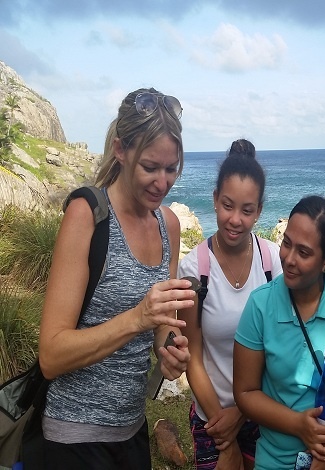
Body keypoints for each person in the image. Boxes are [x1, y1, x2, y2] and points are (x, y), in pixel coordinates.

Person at [38, 87, 193, 469]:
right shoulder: (87, 215)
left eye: (171, 168)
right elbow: (51, 356)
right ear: (121, 151)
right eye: (150, 167)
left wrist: (168, 350)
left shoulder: (168, 225)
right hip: (74, 437)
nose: (162, 182)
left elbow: (159, 327)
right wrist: (137, 318)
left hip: (131, 432)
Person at [233, 195, 325, 470]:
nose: (289, 259)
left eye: (304, 252)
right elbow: (245, 392)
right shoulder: (260, 305)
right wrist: (298, 425)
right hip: (278, 460)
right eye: (286, 243)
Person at [178, 139, 283, 469]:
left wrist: (243, 410)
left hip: (263, 409)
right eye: (227, 205)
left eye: (247, 210)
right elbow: (192, 355)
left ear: (259, 212)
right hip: (212, 415)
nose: (235, 219)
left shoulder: (272, 262)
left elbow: (280, 347)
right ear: (214, 201)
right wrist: (224, 429)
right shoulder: (195, 269)